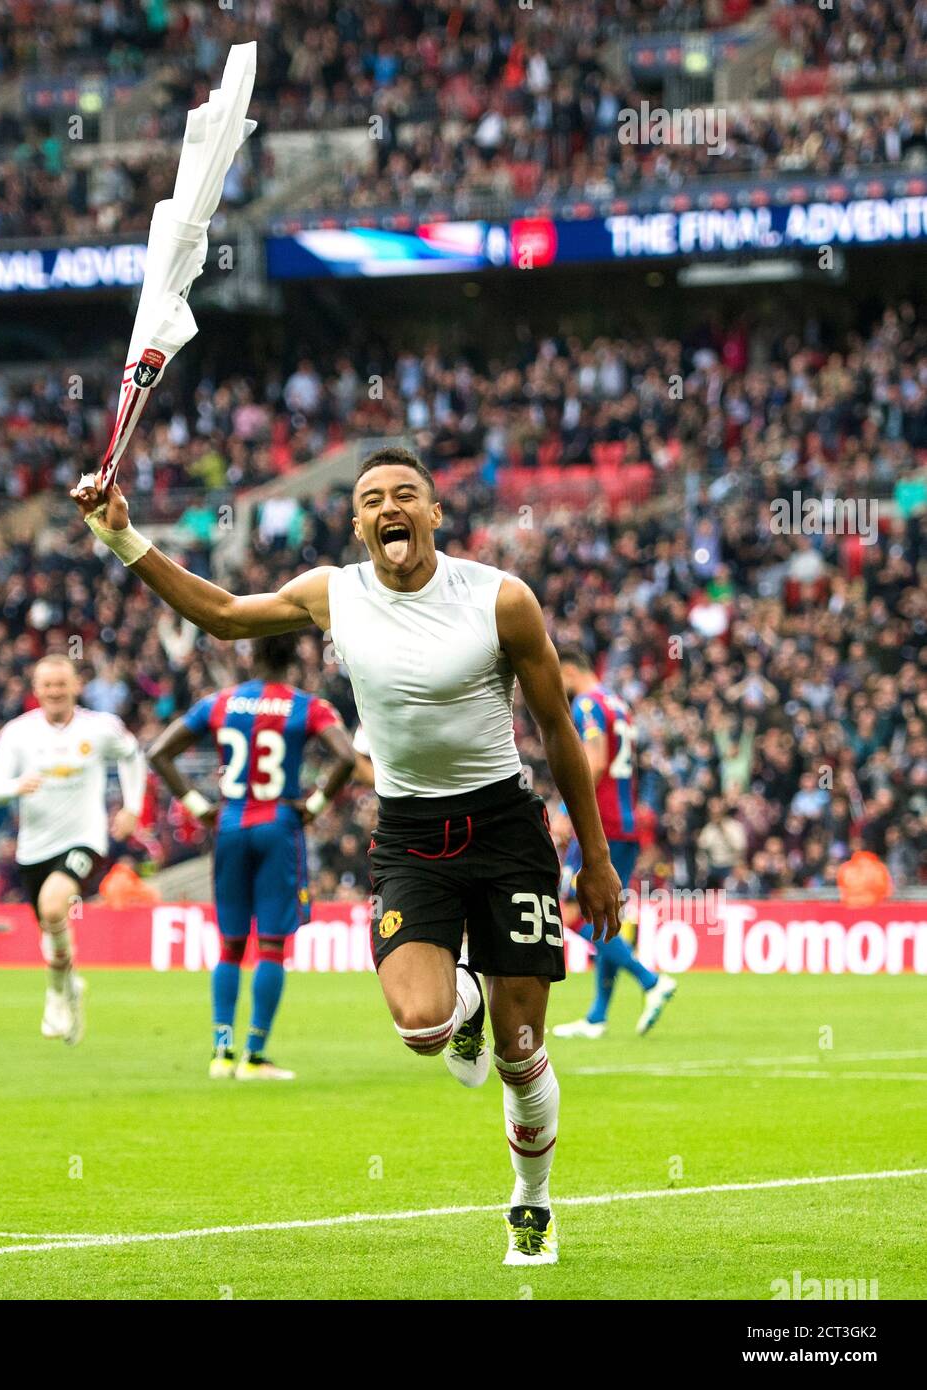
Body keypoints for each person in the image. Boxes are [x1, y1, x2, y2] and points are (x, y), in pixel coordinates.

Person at [71, 445, 622, 1265]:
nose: (388, 506)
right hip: (409, 836)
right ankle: (459, 1009)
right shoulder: (335, 593)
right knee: (425, 1026)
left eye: (407, 494)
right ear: (358, 521)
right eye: (372, 498)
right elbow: (222, 614)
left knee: (520, 1051)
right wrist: (123, 538)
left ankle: (531, 1202)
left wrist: (598, 859)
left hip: (506, 832)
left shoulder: (500, 600)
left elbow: (557, 732)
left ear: (435, 514)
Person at [148, 632, 356, 1080]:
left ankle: (220, 1053)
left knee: (230, 945)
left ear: (252, 657)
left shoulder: (220, 703)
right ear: (295, 661)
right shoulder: (309, 707)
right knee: (272, 947)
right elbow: (345, 757)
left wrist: (199, 805)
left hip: (230, 825)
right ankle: (254, 1057)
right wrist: (315, 805)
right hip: (278, 827)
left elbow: (159, 752)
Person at [0, 654, 146, 1045]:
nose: (55, 691)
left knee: (55, 906)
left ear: (76, 686)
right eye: (47, 685)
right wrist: (15, 786)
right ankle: (70, 985)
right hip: (33, 850)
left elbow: (133, 754)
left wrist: (133, 807)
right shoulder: (17, 734)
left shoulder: (100, 728)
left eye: (62, 684)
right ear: (36, 690)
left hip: (84, 840)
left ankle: (56, 995)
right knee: (53, 929)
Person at [549, 647, 677, 1040]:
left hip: (598, 825)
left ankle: (650, 980)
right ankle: (597, 1017)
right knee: (602, 915)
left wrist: (566, 810)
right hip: (623, 824)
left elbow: (595, 761)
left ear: (569, 671)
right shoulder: (618, 703)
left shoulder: (587, 704)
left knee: (568, 912)